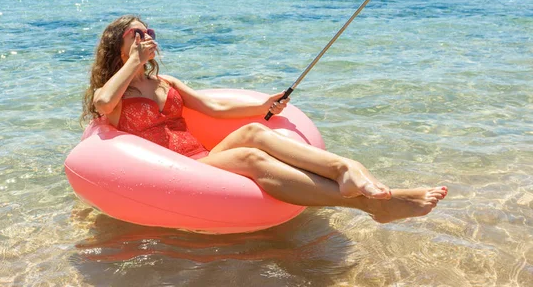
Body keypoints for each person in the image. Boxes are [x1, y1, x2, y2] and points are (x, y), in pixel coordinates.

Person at [81, 15, 447, 224]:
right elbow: (102, 102)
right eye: (137, 34)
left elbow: (215, 109)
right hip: (166, 171)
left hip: (200, 160)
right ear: (118, 46)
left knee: (254, 132)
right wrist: (133, 63)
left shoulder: (166, 82)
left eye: (150, 33)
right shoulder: (116, 94)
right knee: (251, 158)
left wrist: (265, 107)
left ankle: (347, 169)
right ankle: (372, 204)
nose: (147, 38)